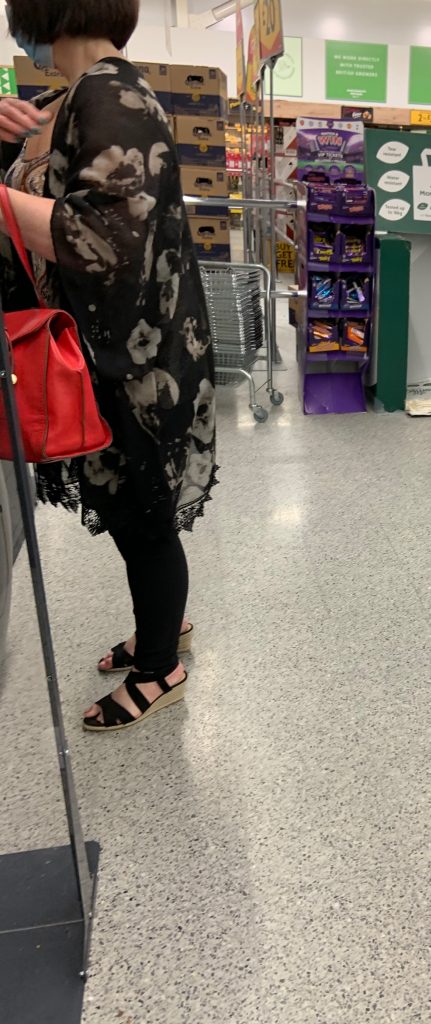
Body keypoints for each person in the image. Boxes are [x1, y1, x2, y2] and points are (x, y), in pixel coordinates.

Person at [0, 0, 217, 732]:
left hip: (135, 361)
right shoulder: (65, 98)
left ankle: (160, 668)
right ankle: (163, 627)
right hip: (104, 354)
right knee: (132, 512)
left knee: (145, 516)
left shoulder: (110, 97)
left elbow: (104, 241)